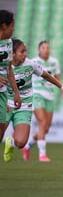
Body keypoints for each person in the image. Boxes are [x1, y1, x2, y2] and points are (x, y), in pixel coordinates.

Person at [3, 39, 63, 162]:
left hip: (25, 105)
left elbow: (47, 76)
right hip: (8, 103)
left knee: (21, 142)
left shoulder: (31, 64)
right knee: (43, 123)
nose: (25, 54)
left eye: (26, 51)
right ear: (12, 54)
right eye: (22, 52)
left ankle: (12, 143)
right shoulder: (4, 66)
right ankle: (42, 154)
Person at [22, 40, 63, 162]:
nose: (46, 50)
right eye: (43, 48)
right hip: (37, 95)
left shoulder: (54, 62)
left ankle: (27, 146)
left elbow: (58, 78)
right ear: (39, 50)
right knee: (42, 123)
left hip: (50, 97)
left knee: (46, 128)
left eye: (48, 48)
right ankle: (42, 154)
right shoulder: (34, 62)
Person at [0, 10, 22, 142]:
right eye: (12, 25)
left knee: (1, 130)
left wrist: (16, 93)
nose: (13, 29)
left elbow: (9, 69)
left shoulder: (8, 43)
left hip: (2, 92)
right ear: (4, 26)